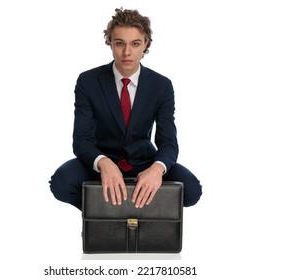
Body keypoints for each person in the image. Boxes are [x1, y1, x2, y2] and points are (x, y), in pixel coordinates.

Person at [49, 8, 202, 210]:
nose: (127, 52)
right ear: (110, 43)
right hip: (102, 162)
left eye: (135, 44)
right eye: (119, 43)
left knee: (191, 190)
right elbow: (81, 140)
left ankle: (138, 217)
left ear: (145, 44)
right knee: (61, 182)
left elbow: (168, 143)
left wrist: (156, 169)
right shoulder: (88, 81)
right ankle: (102, 219)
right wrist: (103, 163)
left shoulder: (162, 85)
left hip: (143, 162)